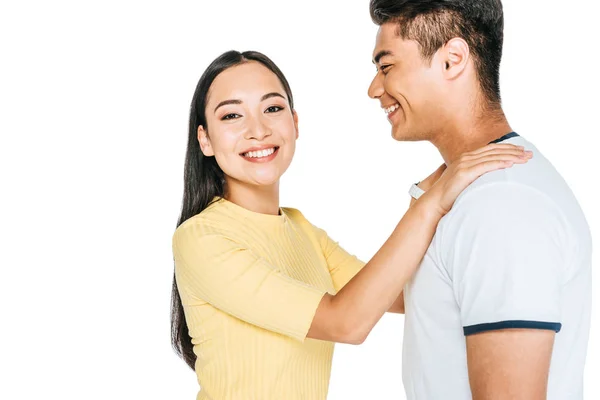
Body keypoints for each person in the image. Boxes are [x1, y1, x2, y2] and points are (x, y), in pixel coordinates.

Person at [170, 49, 530, 400]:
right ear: (205, 139)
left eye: (273, 108)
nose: (258, 130)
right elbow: (346, 323)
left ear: (295, 123)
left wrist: (437, 199)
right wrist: (430, 205)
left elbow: (402, 295)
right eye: (232, 116)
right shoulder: (201, 238)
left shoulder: (298, 228)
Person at [367, 1, 592, 399]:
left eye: (386, 67)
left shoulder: (502, 203)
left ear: (452, 60)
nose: (374, 89)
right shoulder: (469, 192)